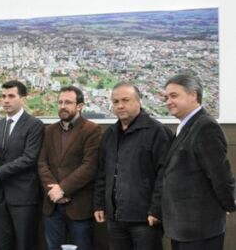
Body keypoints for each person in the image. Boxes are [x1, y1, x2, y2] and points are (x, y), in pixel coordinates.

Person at [161, 74, 235, 250]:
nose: (168, 102)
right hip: (184, 227)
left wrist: (228, 204)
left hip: (200, 228)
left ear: (193, 95)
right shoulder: (187, 125)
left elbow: (220, 174)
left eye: (174, 95)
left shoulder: (205, 127)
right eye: (166, 97)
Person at [93, 82, 171, 250]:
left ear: (138, 101)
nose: (120, 106)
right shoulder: (110, 134)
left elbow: (165, 175)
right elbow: (102, 173)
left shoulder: (157, 131)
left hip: (145, 219)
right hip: (115, 218)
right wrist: (100, 204)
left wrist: (156, 210)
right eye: (115, 102)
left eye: (125, 100)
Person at [0, 80, 44, 250]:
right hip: (1, 195)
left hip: (24, 196)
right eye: (3, 96)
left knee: (24, 244)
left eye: (11, 96)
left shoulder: (34, 125)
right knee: (1, 243)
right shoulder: (0, 125)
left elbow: (29, 158)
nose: (6, 100)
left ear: (23, 99)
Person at [38, 86, 101, 250]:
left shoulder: (91, 129)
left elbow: (90, 166)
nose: (62, 106)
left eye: (68, 102)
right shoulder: (49, 130)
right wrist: (54, 191)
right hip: (52, 204)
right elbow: (42, 163)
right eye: (60, 102)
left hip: (79, 205)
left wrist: (63, 189)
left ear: (79, 106)